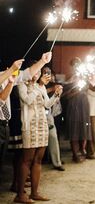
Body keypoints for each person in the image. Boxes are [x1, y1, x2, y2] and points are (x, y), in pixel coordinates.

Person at [15, 61, 62, 203]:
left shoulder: (40, 86)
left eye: (38, 72)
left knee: (38, 160)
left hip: (42, 125)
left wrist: (56, 94)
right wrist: (38, 86)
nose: (37, 74)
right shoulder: (22, 84)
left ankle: (34, 193)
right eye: (35, 71)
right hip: (30, 126)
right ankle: (20, 194)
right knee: (26, 160)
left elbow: (47, 104)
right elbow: (28, 100)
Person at [0, 53, 52, 173]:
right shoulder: (5, 76)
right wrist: (11, 71)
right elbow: (2, 99)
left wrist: (42, 61)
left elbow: (25, 74)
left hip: (5, 125)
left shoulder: (5, 76)